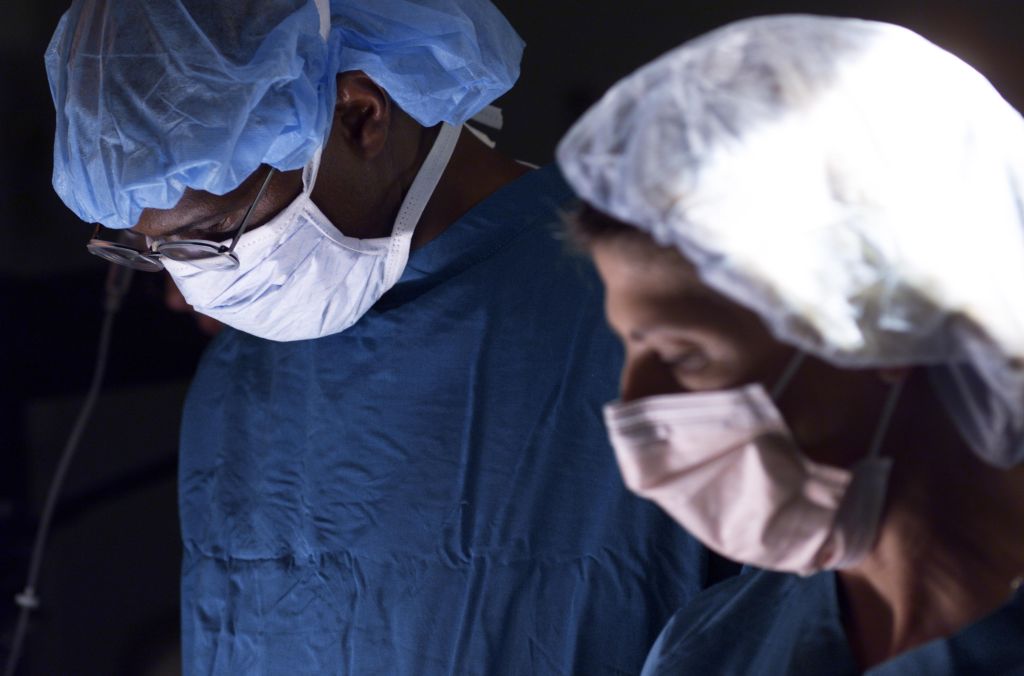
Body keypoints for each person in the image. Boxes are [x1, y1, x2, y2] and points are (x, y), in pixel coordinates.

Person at [46, 0, 722, 673]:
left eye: (214, 236)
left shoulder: (659, 313)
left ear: (357, 115)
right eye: (153, 250)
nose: (196, 286)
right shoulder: (244, 369)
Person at [556, 14, 1024, 675]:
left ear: (884, 317)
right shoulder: (714, 650)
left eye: (686, 354)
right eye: (632, 351)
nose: (635, 408)